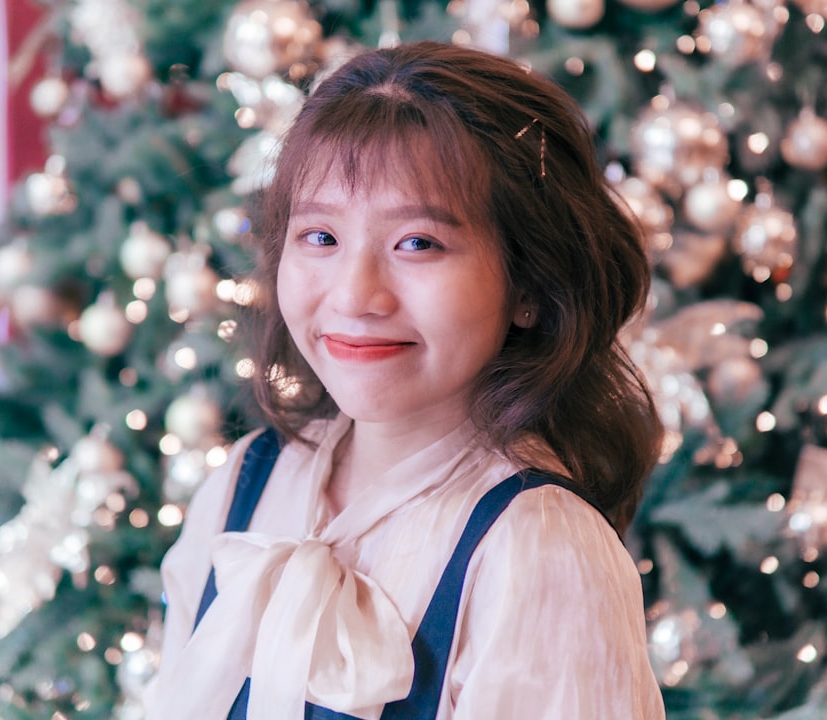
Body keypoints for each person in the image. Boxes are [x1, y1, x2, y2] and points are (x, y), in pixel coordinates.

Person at [145, 40, 666, 720]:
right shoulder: (245, 484)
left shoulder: (536, 549)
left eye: (416, 243)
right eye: (321, 237)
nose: (356, 296)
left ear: (530, 286)